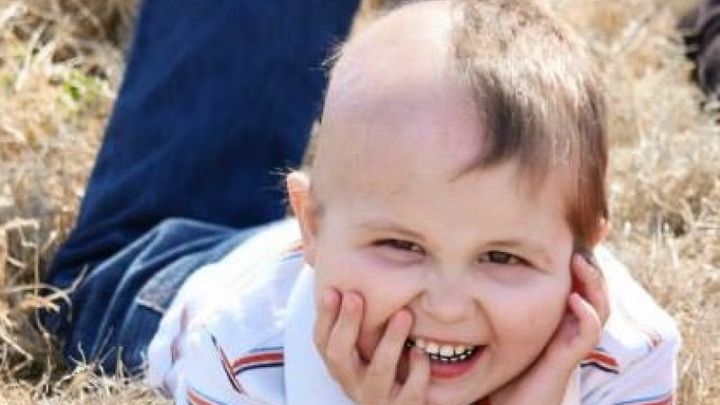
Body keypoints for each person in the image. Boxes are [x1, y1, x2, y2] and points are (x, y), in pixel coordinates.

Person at [144, 1, 680, 404]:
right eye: (402, 246)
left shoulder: (630, 358)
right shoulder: (241, 350)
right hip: (172, 272)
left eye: (502, 257)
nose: (447, 307)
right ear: (310, 225)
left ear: (583, 257)